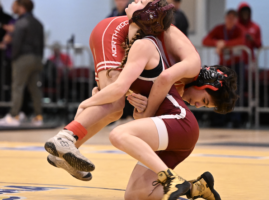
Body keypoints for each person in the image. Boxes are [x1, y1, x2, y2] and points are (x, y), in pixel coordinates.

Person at [45, 1, 237, 199]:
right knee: (115, 103)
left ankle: (66, 149)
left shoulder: (178, 82)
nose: (197, 105)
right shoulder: (191, 66)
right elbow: (161, 79)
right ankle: (67, 138)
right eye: (204, 101)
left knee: (117, 109)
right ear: (207, 85)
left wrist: (137, 105)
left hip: (133, 34)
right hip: (115, 32)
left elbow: (141, 85)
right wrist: (145, 114)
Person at [0, 0, 44, 126]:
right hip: (36, 58)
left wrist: (13, 58)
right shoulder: (38, 23)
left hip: (23, 58)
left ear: (22, 7)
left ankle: (14, 115)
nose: (12, 7)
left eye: (14, 5)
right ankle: (38, 116)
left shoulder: (20, 23)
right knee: (35, 89)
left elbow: (17, 44)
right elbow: (41, 43)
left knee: (17, 86)